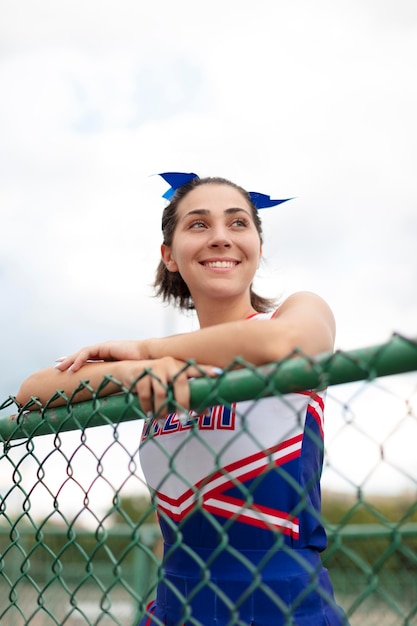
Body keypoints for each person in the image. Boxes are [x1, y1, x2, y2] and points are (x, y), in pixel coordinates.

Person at [16, 173, 347, 625]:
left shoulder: (295, 312)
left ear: (258, 246)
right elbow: (32, 392)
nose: (219, 238)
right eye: (197, 224)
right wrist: (143, 371)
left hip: (286, 609)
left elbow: (286, 345)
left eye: (237, 224)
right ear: (169, 256)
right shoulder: (157, 364)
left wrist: (153, 351)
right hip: (174, 611)